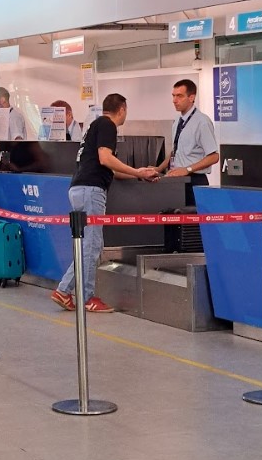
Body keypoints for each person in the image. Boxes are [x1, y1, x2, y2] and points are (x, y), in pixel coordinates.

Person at [51, 93, 158, 313]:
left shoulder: (95, 126)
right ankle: (84, 296)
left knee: (90, 245)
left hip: (79, 188)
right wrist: (137, 171)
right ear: (122, 109)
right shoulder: (108, 125)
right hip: (91, 190)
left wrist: (139, 175)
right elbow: (105, 158)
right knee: (91, 246)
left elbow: (110, 169)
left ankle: (66, 291)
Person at [155, 79, 219, 206]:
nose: (174, 100)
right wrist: (159, 169)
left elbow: (214, 156)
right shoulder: (177, 121)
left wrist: (187, 169)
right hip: (177, 181)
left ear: (191, 97)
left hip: (194, 180)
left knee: (193, 217)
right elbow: (176, 151)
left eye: (179, 96)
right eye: (173, 96)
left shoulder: (202, 122)